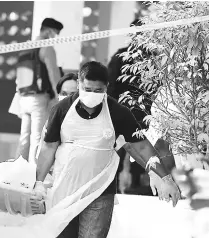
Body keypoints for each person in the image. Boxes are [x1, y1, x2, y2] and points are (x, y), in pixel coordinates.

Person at [31, 61, 181, 238]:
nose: (92, 94)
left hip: (100, 192)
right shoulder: (61, 110)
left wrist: (164, 177)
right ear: (79, 84)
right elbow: (48, 148)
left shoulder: (119, 113)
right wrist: (39, 183)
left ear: (106, 88)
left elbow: (139, 145)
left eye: (98, 90)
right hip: (65, 190)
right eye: (87, 89)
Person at [107, 18, 156, 195]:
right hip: (140, 111)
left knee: (122, 148)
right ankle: (135, 185)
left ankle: (119, 185)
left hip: (130, 110)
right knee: (139, 147)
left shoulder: (122, 55)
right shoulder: (152, 58)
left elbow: (110, 85)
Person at [15, 17, 63, 163]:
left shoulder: (26, 47)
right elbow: (54, 75)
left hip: (23, 98)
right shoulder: (47, 48)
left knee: (24, 137)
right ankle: (33, 172)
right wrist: (60, 97)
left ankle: (18, 169)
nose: (55, 37)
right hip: (39, 98)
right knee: (37, 137)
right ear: (48, 31)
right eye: (55, 33)